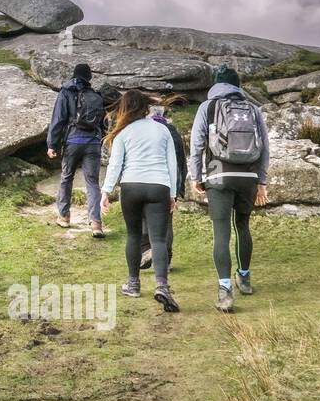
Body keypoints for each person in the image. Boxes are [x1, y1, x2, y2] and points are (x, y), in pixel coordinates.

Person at [189, 65, 269, 313]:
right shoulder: (253, 109)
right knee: (242, 226)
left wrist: (196, 177)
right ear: (237, 85)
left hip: (218, 174)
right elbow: (264, 147)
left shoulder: (208, 107)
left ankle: (225, 292)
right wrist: (261, 181)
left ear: (216, 84)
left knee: (221, 231)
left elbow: (197, 144)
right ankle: (244, 278)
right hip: (248, 176)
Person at [99, 88, 180, 312]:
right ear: (145, 107)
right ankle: (162, 286)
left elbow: (115, 165)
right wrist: (172, 194)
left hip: (131, 186)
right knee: (159, 240)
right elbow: (171, 164)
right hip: (159, 186)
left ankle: (133, 284)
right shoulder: (162, 130)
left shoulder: (123, 133)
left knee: (134, 235)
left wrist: (105, 192)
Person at [46, 63, 106, 237]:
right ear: (89, 78)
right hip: (93, 142)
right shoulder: (94, 95)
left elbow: (58, 120)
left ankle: (64, 216)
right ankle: (96, 223)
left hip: (73, 141)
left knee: (66, 177)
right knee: (92, 182)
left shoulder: (66, 92)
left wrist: (52, 145)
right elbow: (102, 122)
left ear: (74, 75)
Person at [139, 94, 188, 270]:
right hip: (168, 184)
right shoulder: (171, 130)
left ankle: (146, 252)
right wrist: (179, 188)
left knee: (143, 217)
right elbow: (181, 160)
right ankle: (165, 261)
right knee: (166, 221)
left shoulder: (140, 129)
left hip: (144, 181)